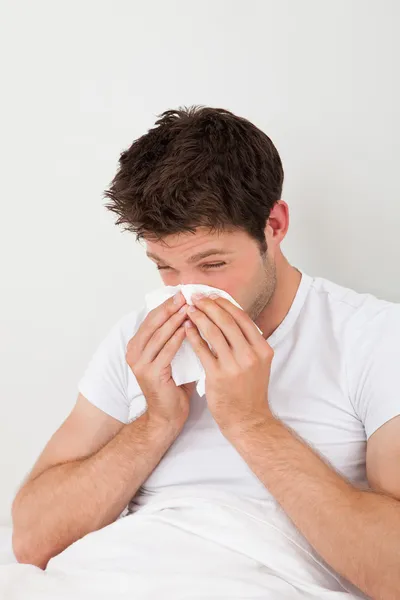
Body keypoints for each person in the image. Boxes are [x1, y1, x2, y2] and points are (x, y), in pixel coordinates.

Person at [11, 106, 400, 599]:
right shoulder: (139, 341)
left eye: (212, 263)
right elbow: (31, 540)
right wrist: (155, 422)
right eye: (165, 268)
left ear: (274, 226)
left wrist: (250, 421)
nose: (186, 292)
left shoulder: (376, 338)